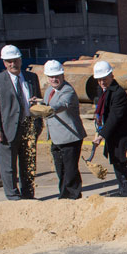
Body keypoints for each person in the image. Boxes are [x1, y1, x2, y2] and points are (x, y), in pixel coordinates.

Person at [0, 45, 42, 200]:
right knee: (8, 167)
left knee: (28, 165)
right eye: (9, 61)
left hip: (29, 127)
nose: (13, 64)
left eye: (15, 60)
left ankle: (28, 195)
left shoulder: (31, 78)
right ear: (4, 63)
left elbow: (37, 102)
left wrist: (38, 124)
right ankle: (13, 196)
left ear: (20, 60)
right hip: (7, 129)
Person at [41, 60, 86, 199]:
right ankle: (64, 195)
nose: (54, 79)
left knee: (70, 169)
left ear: (62, 75)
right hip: (56, 137)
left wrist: (49, 109)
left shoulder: (68, 90)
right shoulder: (50, 90)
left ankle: (72, 195)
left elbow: (62, 105)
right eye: (51, 77)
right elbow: (47, 103)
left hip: (70, 137)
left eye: (57, 76)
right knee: (61, 169)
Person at [92, 61, 127, 197]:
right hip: (114, 137)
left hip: (123, 138)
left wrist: (101, 135)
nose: (102, 82)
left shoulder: (118, 94)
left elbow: (114, 117)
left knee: (124, 167)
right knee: (118, 165)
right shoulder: (104, 92)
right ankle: (123, 191)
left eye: (104, 79)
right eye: (99, 80)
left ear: (112, 76)